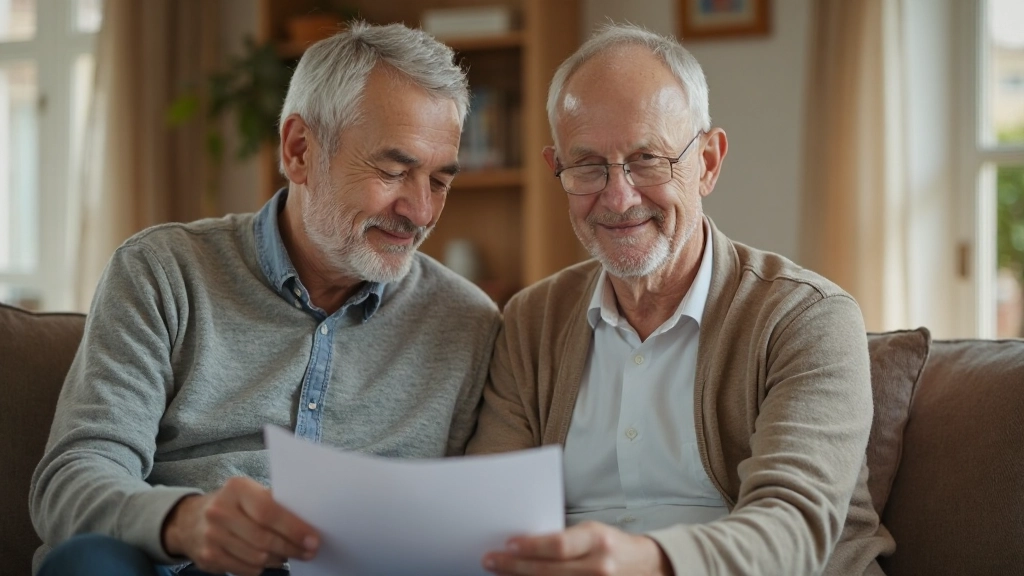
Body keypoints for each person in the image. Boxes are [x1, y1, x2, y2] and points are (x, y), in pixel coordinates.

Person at [30, 22, 500, 576]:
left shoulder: (465, 323)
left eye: (440, 181)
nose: (420, 212)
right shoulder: (164, 273)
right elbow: (72, 479)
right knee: (86, 562)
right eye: (395, 171)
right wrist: (184, 520)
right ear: (299, 149)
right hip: (176, 565)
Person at [467, 24, 892, 576]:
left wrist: (647, 560)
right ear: (558, 167)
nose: (618, 197)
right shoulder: (531, 320)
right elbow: (488, 517)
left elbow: (794, 526)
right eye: (588, 165)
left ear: (708, 162)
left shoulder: (807, 317)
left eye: (647, 159)